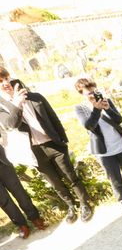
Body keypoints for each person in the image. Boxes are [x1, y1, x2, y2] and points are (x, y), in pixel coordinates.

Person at [0, 67, 93, 223]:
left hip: (53, 144)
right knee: (55, 183)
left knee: (71, 176)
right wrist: (16, 105)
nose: (4, 83)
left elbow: (53, 118)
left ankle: (84, 204)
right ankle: (71, 206)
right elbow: (11, 124)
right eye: (0, 81)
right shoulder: (3, 108)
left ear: (10, 77)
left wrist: (63, 141)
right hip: (34, 151)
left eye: (5, 79)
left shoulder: (35, 97)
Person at [74, 78, 122, 215]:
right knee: (114, 178)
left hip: (121, 144)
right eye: (89, 94)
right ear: (81, 94)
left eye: (94, 92)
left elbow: (118, 120)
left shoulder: (106, 100)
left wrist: (108, 109)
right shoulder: (80, 108)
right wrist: (96, 109)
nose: (93, 95)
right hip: (103, 151)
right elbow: (88, 126)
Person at [0, 144, 46, 238]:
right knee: (3, 200)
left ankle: (35, 217)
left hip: (2, 163)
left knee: (18, 191)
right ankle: (22, 225)